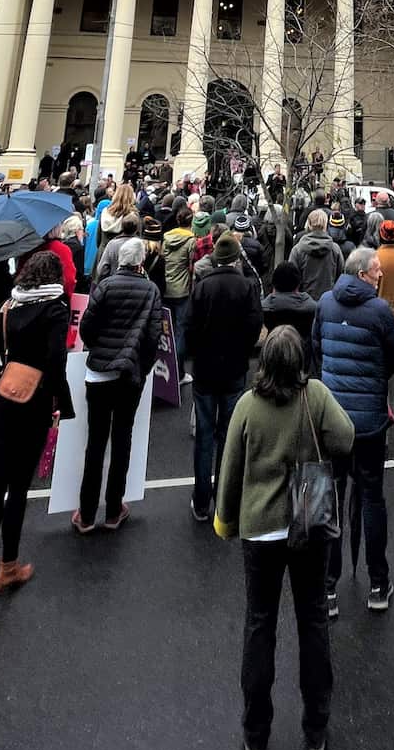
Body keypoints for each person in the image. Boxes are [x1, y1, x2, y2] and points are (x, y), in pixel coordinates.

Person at [215, 327, 354, 750]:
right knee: (313, 621)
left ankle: (256, 739)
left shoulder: (247, 406)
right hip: (309, 523)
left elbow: (231, 468)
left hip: (261, 530)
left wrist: (226, 521)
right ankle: (316, 730)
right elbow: (346, 437)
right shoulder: (313, 395)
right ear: (300, 363)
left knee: (260, 626)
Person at [312, 245, 394, 614]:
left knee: (332, 496)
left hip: (333, 417)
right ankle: (378, 582)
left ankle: (328, 587)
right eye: (377, 270)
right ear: (363, 274)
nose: (381, 275)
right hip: (368, 421)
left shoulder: (325, 303)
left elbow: (315, 348)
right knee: (372, 498)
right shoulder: (379, 311)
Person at [0, 250, 72, 593]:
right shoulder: (55, 309)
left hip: (5, 399)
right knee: (18, 489)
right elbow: (56, 360)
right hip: (33, 404)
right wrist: (55, 400)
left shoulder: (8, 307)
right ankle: (9, 566)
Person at [74, 237, 163, 532]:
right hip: (129, 374)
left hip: (99, 372)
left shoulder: (105, 287)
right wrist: (144, 366)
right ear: (140, 263)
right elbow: (153, 336)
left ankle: (86, 514)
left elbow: (86, 327)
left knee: (96, 442)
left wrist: (99, 347)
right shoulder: (150, 290)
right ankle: (114, 509)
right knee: (122, 438)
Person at [187, 232, 262, 524]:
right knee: (229, 436)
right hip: (234, 369)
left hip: (205, 369)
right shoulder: (246, 287)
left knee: (204, 436)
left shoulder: (202, 287)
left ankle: (201, 500)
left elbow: (189, 329)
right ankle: (225, 499)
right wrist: (241, 350)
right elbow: (255, 326)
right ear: (235, 260)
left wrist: (198, 354)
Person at [260, 261, 318, 368]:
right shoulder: (313, 309)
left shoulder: (264, 309)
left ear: (274, 285)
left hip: (272, 358)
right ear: (298, 284)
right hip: (302, 361)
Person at [161, 202, 196, 378]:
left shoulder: (166, 237)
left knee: (166, 330)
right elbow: (192, 266)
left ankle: (165, 368)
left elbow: (162, 259)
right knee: (181, 330)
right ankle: (178, 371)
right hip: (181, 290)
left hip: (165, 287)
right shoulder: (191, 240)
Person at [289, 209, 346, 300]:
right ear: (325, 224)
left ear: (309, 224)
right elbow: (341, 276)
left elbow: (292, 279)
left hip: (304, 302)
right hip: (328, 301)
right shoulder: (335, 249)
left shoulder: (297, 250)